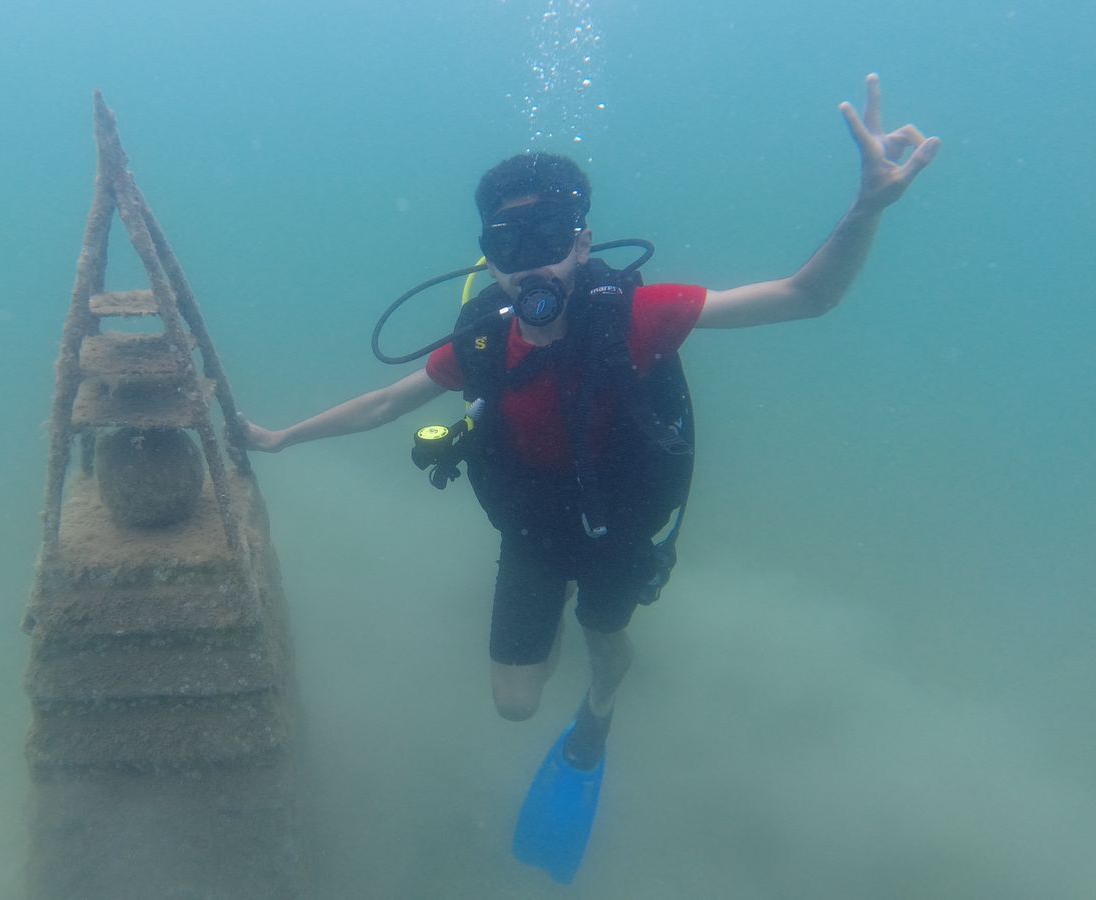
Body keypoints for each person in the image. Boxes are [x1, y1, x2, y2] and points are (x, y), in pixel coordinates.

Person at [240, 74, 938, 880]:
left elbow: (805, 297)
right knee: (512, 704)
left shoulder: (635, 314)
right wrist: (282, 437)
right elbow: (385, 403)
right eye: (508, 249)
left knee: (606, 650)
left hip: (619, 528)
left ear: (583, 241)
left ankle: (599, 713)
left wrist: (867, 208)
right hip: (535, 532)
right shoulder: (482, 344)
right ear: (489, 259)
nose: (529, 268)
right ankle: (569, 655)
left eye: (550, 243)